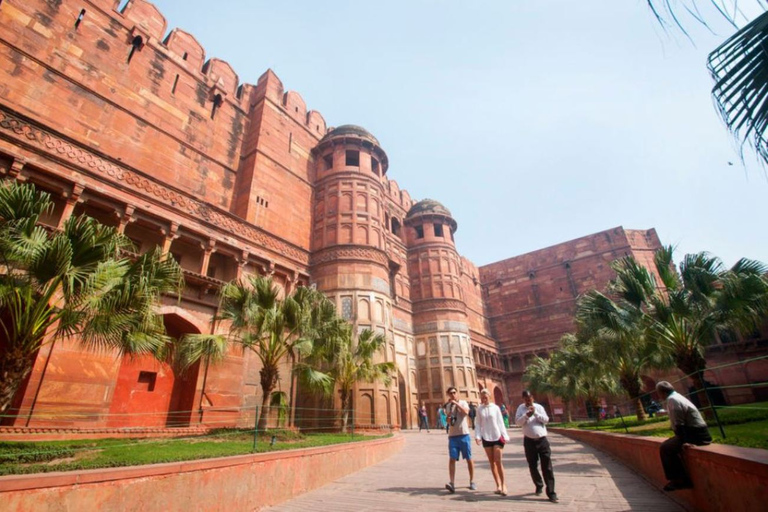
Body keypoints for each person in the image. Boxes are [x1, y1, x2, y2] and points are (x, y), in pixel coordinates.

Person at [656, 381, 712, 492]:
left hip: (696, 434)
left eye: (658, 393)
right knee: (669, 445)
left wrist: (684, 440)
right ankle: (679, 479)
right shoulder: (676, 397)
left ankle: (679, 480)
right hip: (696, 431)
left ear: (662, 392)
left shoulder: (673, 400)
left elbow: (679, 423)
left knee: (666, 448)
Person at [515, 390, 558, 503]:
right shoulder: (520, 408)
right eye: (526, 399)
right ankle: (539, 484)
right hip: (529, 441)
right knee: (533, 466)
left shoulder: (538, 407)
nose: (528, 401)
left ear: (532, 398)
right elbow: (518, 422)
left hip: (542, 440)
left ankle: (551, 492)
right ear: (523, 399)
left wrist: (535, 413)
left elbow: (546, 420)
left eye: (529, 399)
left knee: (547, 467)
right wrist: (526, 416)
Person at [474, 389, 510, 496]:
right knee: (492, 462)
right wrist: (477, 436)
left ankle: (504, 485)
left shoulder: (495, 408)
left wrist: (505, 435)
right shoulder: (479, 409)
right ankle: (498, 485)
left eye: (485, 397)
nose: (483, 399)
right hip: (486, 437)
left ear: (489, 396)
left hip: (497, 436)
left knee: (498, 461)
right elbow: (478, 424)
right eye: (482, 397)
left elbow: (500, 422)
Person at [444, 386, 475, 493]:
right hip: (452, 436)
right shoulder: (448, 406)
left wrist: (456, 404)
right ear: (448, 394)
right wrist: (448, 419)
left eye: (454, 392)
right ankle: (452, 483)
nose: (453, 394)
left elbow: (466, 413)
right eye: (450, 393)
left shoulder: (463, 402)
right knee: (452, 459)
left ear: (457, 393)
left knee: (469, 458)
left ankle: (472, 480)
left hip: (464, 434)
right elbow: (448, 420)